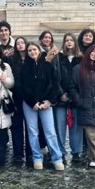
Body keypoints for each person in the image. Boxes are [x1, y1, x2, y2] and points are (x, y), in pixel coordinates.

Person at [16, 42, 64, 171]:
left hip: (46, 103)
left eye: (34, 49)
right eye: (30, 50)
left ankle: (57, 158)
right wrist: (32, 102)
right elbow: (21, 87)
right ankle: (37, 157)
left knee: (50, 131)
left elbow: (54, 84)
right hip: (29, 103)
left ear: (39, 50)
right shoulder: (23, 68)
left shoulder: (47, 65)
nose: (32, 52)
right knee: (33, 132)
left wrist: (49, 100)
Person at [52, 33, 84, 162]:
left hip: (76, 98)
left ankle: (76, 152)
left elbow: (83, 79)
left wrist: (74, 95)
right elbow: (54, 77)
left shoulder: (81, 59)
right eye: (67, 40)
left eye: (71, 40)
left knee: (76, 127)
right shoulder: (58, 58)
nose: (69, 42)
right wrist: (61, 94)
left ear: (75, 43)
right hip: (61, 98)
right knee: (60, 126)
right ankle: (61, 151)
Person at [8, 36, 32, 163]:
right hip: (16, 97)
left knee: (30, 126)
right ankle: (18, 153)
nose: (20, 45)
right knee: (16, 126)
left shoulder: (31, 59)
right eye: (18, 43)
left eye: (23, 42)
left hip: (29, 97)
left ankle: (30, 152)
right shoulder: (11, 60)